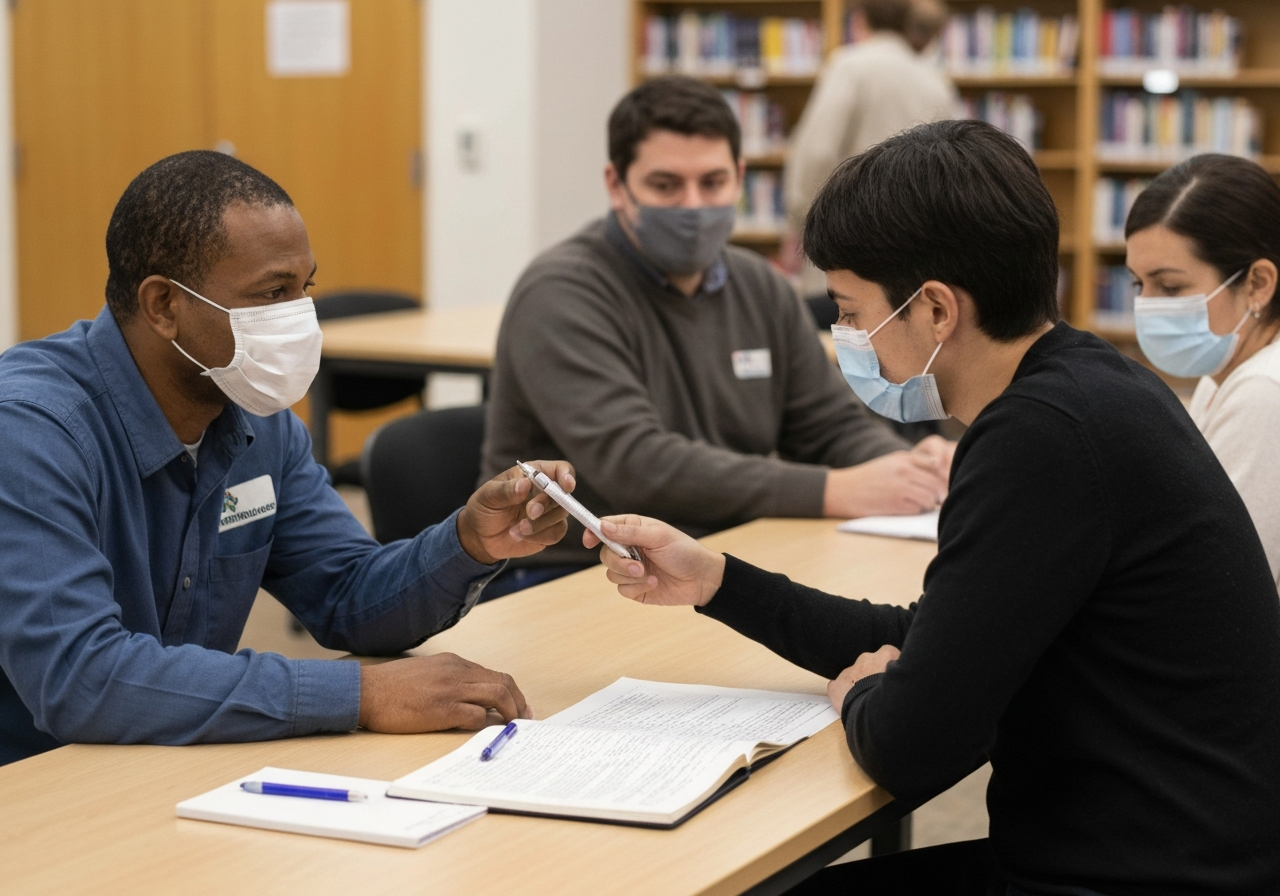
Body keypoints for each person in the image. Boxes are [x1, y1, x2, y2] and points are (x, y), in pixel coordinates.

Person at [587, 121, 1280, 893]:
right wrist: (718, 580)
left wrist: (867, 693)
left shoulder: (1039, 437)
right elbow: (939, 635)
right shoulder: (1092, 383)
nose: (845, 336)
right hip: (1172, 852)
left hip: (1140, 875)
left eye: (850, 312)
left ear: (937, 310)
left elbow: (911, 744)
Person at [0, 151, 578, 766]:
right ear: (164, 305)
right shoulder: (32, 429)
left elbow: (351, 597)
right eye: (272, 293)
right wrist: (359, 694)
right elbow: (83, 680)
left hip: (170, 766)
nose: (300, 318)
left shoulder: (256, 416)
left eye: (305, 289)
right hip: (36, 790)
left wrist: (469, 541)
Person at [480, 77, 953, 594]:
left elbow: (827, 425)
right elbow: (637, 466)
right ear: (617, 185)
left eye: (712, 182)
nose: (693, 205)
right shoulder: (561, 292)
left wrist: (904, 468)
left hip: (714, 557)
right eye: (665, 186)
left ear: (740, 178)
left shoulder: (761, 286)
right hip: (576, 573)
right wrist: (835, 490)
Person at [1127, 154, 1280, 588]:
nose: (1148, 304)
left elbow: (1218, 576)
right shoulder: (1226, 367)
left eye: (1170, 286)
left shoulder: (1265, 390)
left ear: (1257, 284)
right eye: (1140, 284)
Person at [783, 0, 956, 297]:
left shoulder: (851, 65)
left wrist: (798, 222)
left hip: (848, 241)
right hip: (917, 252)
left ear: (860, 20)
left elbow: (818, 152)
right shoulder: (935, 78)